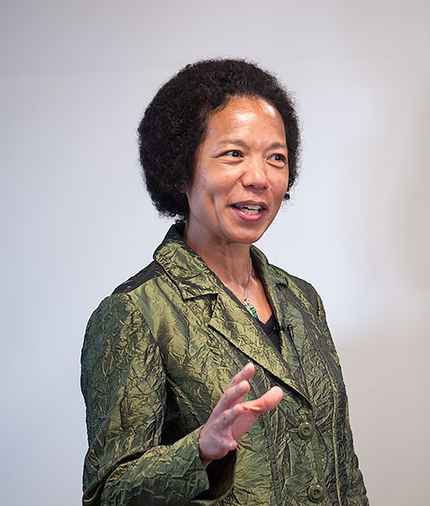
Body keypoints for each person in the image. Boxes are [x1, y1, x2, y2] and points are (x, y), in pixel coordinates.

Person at [81, 59, 368, 505]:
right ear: (180, 170)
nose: (259, 178)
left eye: (276, 158)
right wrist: (199, 450)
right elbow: (108, 493)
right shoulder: (136, 313)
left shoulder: (302, 299)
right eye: (233, 154)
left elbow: (342, 468)